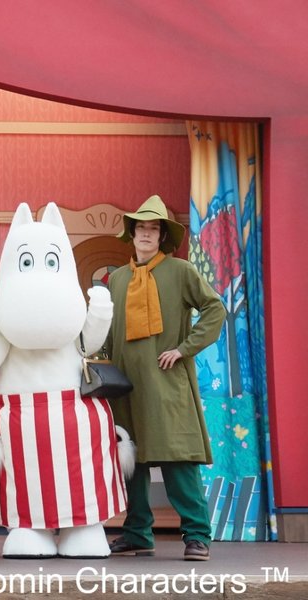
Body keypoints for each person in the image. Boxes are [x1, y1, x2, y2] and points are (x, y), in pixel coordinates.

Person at [105, 195, 224, 562]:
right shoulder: (117, 279)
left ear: (161, 237)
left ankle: (197, 536)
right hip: (127, 385)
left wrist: (184, 348)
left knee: (178, 459)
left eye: (152, 228)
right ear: (132, 234)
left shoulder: (180, 271)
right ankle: (137, 533)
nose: (145, 234)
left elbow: (215, 309)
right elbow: (108, 333)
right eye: (140, 228)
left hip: (167, 382)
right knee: (133, 461)